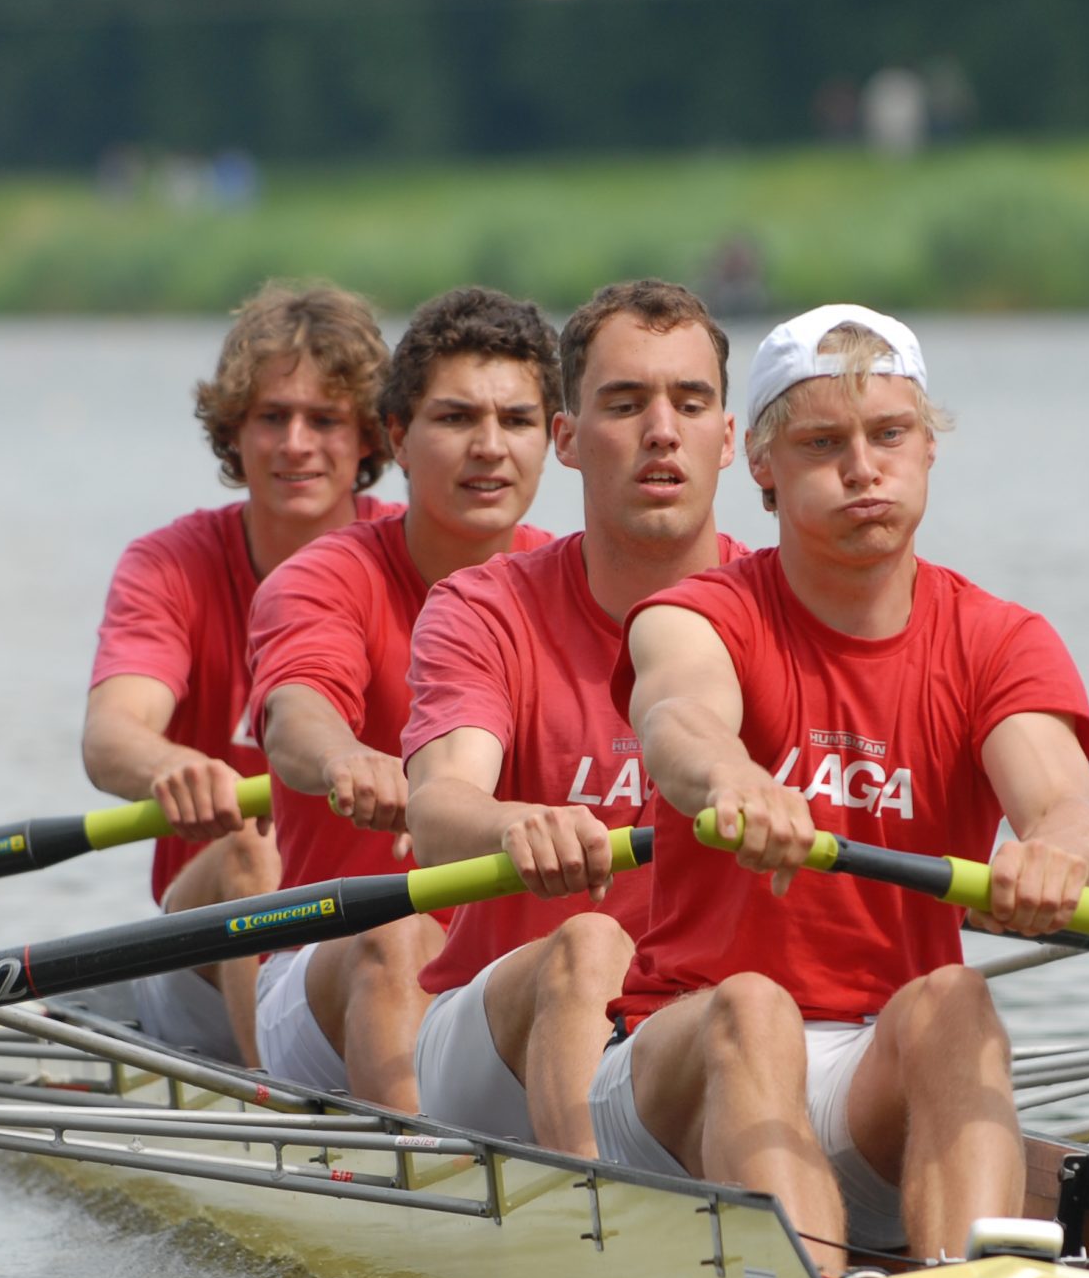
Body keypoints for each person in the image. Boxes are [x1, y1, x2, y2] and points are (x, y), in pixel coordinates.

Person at [597, 305, 1089, 1276]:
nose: (861, 468)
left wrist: (1054, 856)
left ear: (927, 450)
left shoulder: (999, 640)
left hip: (871, 1074)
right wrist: (735, 777)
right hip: (678, 1068)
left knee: (957, 998)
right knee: (752, 1006)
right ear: (761, 466)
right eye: (822, 442)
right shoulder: (702, 612)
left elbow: (1065, 809)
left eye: (888, 436)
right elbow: (676, 720)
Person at [402, 280, 743, 1151]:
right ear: (567, 440)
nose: (661, 431)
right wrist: (517, 823)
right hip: (493, 1044)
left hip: (694, 1024)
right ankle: (604, 1223)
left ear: (731, 439)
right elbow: (439, 813)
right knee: (588, 941)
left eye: (689, 403)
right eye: (625, 405)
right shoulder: (485, 609)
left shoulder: (777, 608)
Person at [246, 287, 559, 1109]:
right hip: (330, 965)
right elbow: (295, 716)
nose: (490, 449)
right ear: (397, 438)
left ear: (555, 439)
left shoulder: (582, 582)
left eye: (517, 422)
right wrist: (346, 756)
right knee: (399, 935)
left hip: (510, 972)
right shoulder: (324, 576)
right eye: (455, 419)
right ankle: (422, 1189)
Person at [83, 283, 397, 1063]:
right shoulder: (172, 565)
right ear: (233, 432)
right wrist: (173, 767)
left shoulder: (419, 558)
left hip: (375, 939)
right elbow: (111, 736)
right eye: (271, 417)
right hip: (203, 945)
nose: (296, 443)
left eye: (324, 420)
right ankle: (278, 1103)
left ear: (368, 438)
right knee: (253, 849)